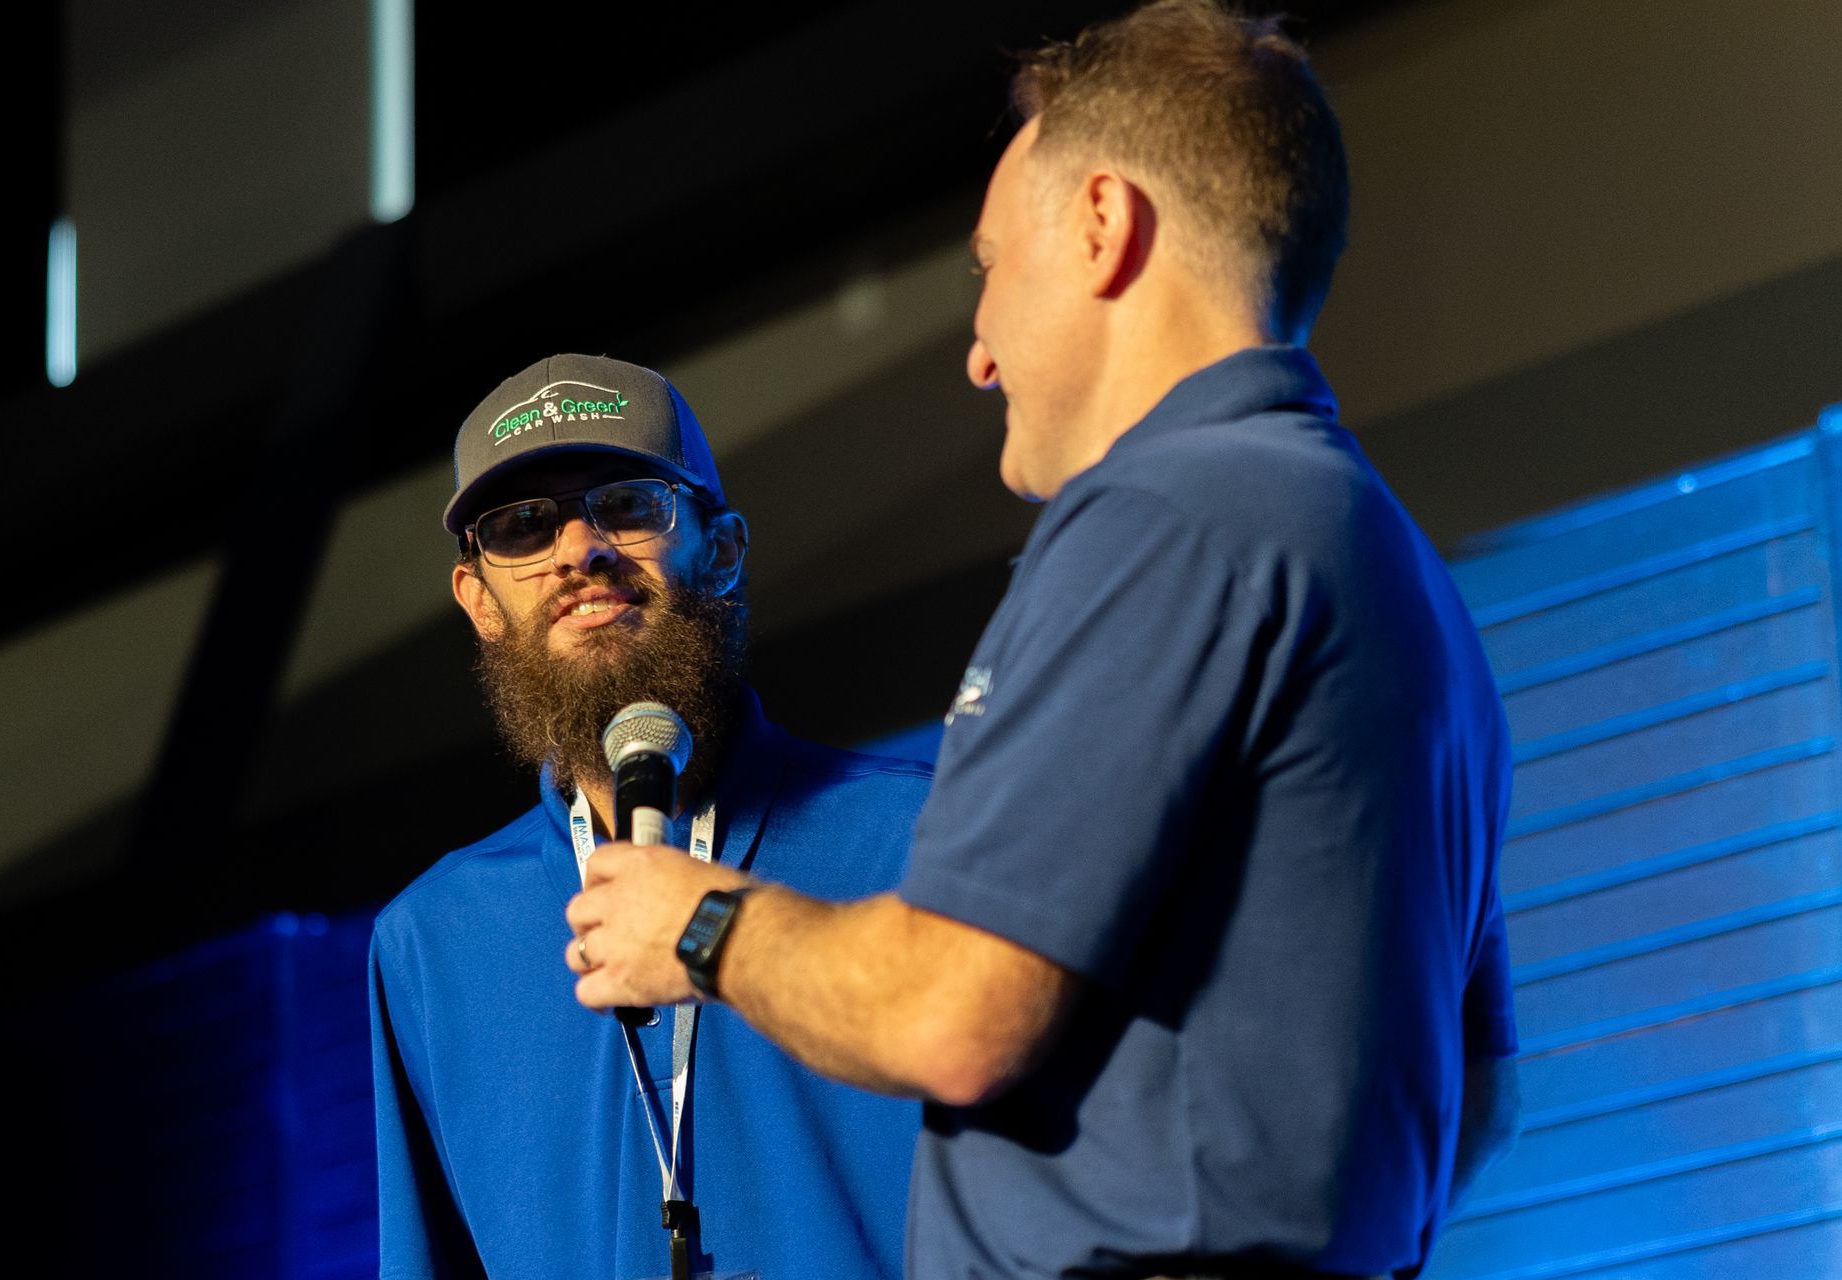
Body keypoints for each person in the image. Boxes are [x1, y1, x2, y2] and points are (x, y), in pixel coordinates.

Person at [566, 3, 1521, 1278]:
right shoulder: (1397, 571)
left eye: (989, 265)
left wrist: (698, 925)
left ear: (1101, 225)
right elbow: (1477, 1097)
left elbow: (950, 1010)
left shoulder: (1159, 515)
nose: (977, 352)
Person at [367, 353, 932, 1280]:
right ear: (479, 602)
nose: (577, 549)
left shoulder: (918, 834)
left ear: (721, 548)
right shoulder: (429, 942)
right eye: (521, 527)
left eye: (628, 506)